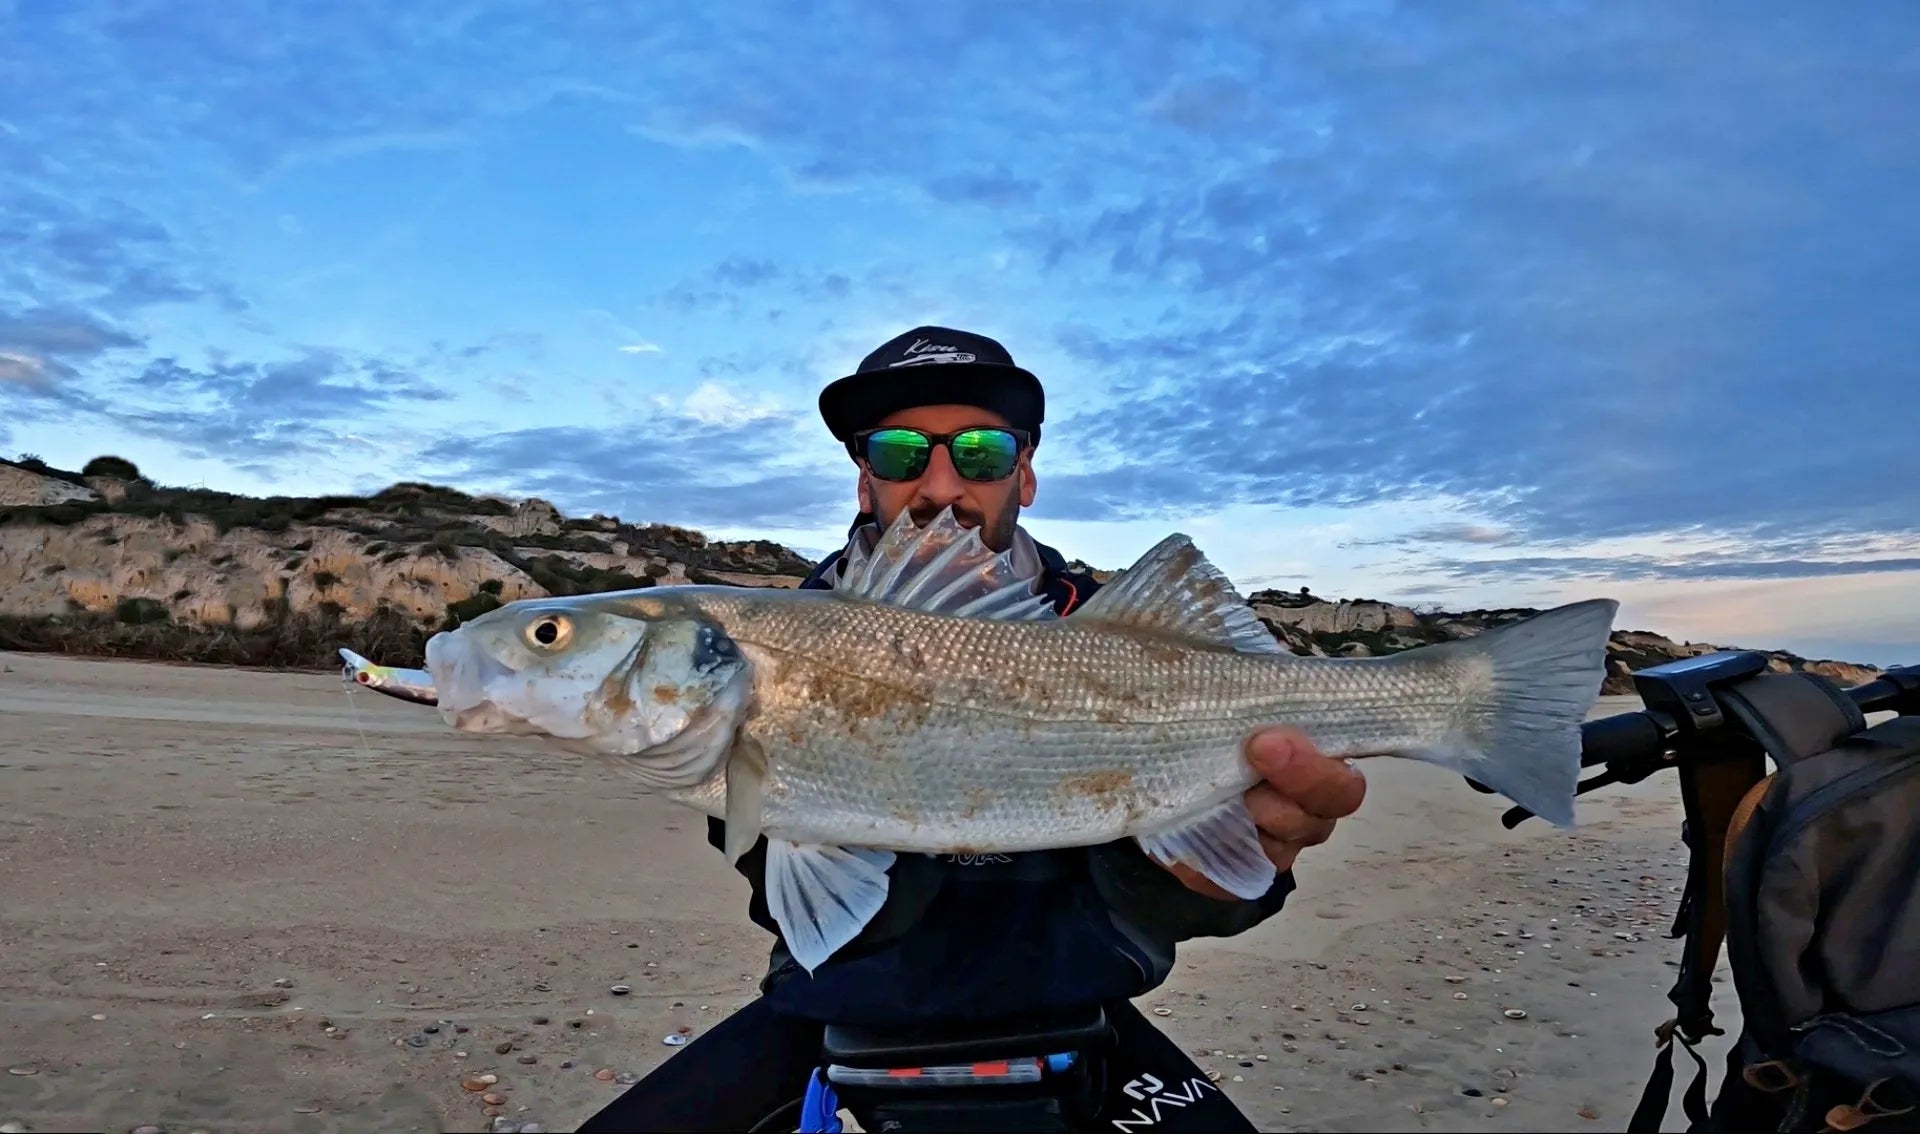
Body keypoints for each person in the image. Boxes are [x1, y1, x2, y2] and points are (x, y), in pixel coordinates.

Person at [578, 326, 1368, 1133]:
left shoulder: (1119, 628)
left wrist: (1223, 872)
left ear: (1024, 475)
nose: (941, 486)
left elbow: (1206, 897)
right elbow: (793, 879)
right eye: (898, 452)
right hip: (841, 1017)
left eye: (983, 453)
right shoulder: (761, 648)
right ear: (863, 480)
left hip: (1084, 1020)